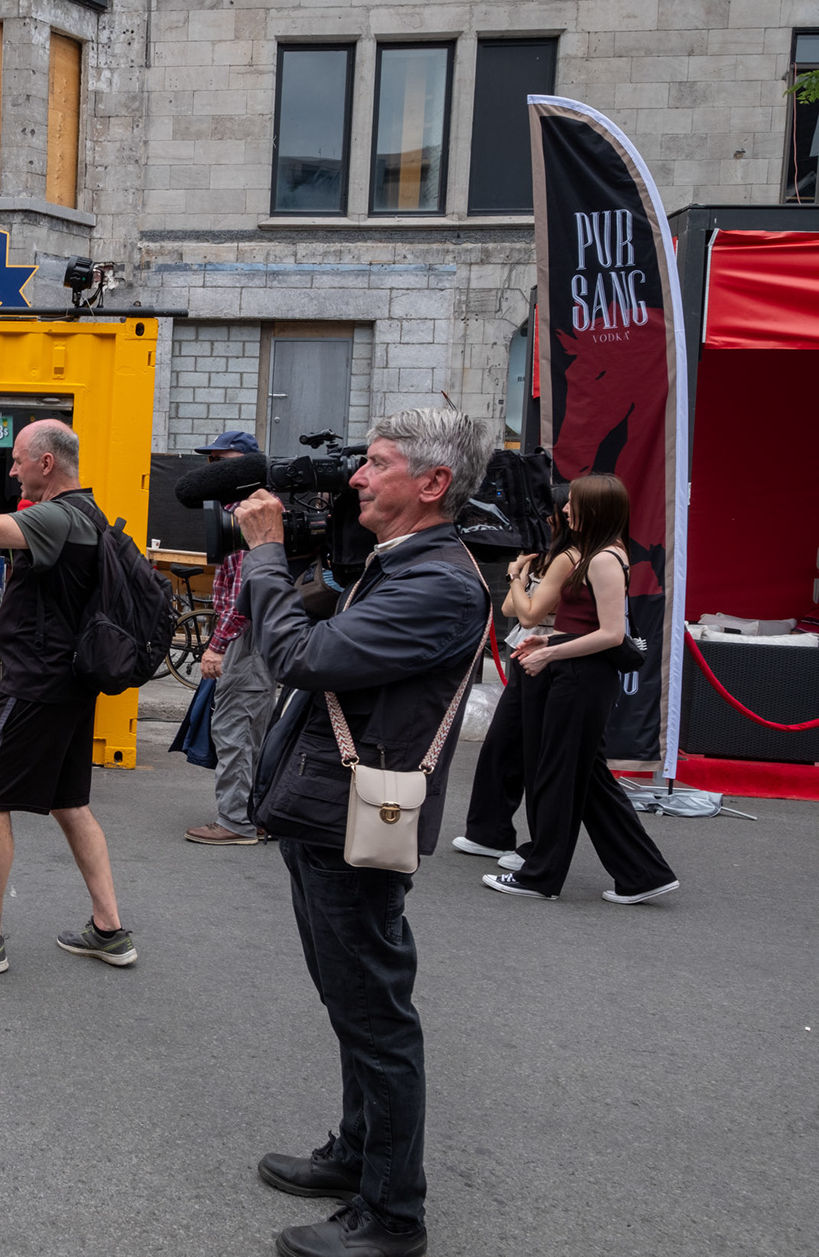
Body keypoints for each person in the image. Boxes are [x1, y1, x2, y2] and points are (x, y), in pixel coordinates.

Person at [235, 407, 492, 1257]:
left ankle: (392, 1216)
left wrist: (267, 554)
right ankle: (357, 1154)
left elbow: (301, 659)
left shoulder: (441, 583)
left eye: (376, 464)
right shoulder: (401, 561)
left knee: (377, 1018)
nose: (356, 477)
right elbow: (325, 641)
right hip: (327, 815)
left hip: (355, 824)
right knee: (351, 1006)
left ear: (432, 483)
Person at [0, 420, 137, 975]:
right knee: (69, 802)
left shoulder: (57, 516)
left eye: (17, 460)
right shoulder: (85, 513)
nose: (11, 469)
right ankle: (109, 929)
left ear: (45, 463)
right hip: (68, 683)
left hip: (35, 684)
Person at [482, 473, 681, 905]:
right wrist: (549, 642)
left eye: (573, 503)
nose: (566, 510)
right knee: (588, 780)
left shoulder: (603, 559)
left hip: (583, 678)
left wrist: (551, 652)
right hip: (576, 672)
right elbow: (586, 627)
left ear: (595, 509)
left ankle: (542, 876)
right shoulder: (596, 554)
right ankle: (643, 873)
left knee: (558, 776)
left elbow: (611, 634)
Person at [452, 490, 569, 865]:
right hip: (524, 653)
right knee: (501, 746)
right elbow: (509, 608)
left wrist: (517, 578)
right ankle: (490, 832)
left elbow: (530, 614)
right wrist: (518, 574)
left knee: (536, 753)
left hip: (547, 655)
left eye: (549, 513)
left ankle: (539, 848)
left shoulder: (567, 559)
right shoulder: (541, 557)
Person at [182, 429, 277, 847]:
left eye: (222, 462)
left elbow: (247, 593)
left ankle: (235, 822)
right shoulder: (255, 509)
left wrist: (218, 644)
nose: (213, 470)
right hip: (258, 636)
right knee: (250, 725)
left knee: (235, 724)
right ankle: (252, 815)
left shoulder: (248, 515)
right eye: (211, 462)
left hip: (247, 638)